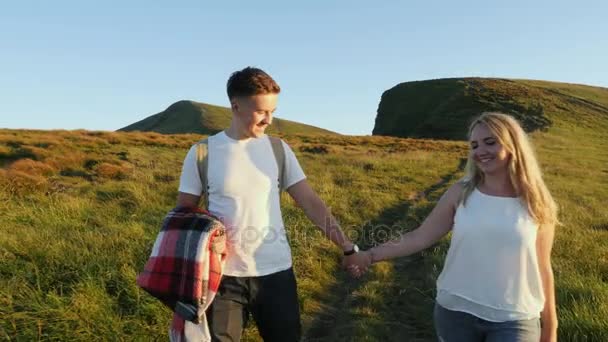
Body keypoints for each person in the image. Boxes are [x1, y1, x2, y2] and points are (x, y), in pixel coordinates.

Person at [176, 67, 360, 341]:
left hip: (276, 275)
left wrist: (346, 247)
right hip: (222, 279)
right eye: (262, 111)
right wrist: (206, 240)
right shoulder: (202, 152)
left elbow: (309, 201)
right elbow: (183, 215)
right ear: (235, 106)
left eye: (273, 111)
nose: (269, 120)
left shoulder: (279, 149)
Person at [348, 112, 558, 342]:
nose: (480, 152)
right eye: (474, 145)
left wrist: (551, 327)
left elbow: (543, 267)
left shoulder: (536, 201)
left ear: (513, 144)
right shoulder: (461, 193)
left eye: (490, 142)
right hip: (456, 312)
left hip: (515, 318)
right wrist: (370, 255)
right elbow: (420, 236)